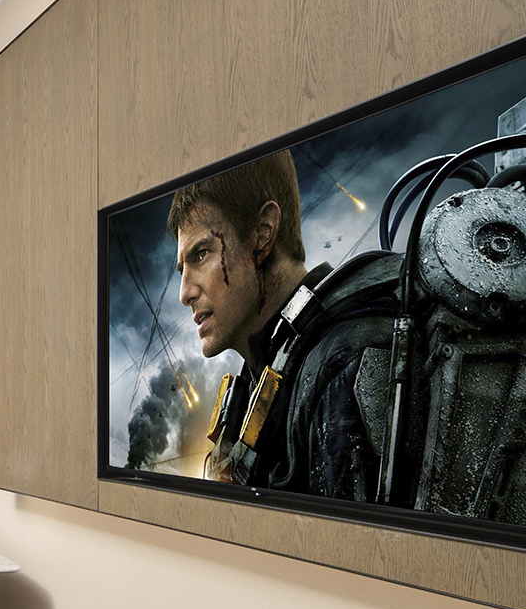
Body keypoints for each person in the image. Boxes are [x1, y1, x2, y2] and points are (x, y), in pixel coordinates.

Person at [170, 152, 400, 498]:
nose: (184, 293)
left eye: (201, 254)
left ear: (262, 234)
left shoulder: (343, 363)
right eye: (182, 269)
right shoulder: (269, 368)